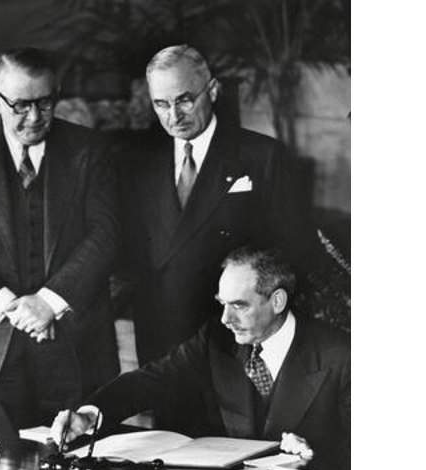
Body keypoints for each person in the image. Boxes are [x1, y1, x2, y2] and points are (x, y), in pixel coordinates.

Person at [0, 47, 120, 427]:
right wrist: (9, 306)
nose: (34, 117)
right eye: (20, 105)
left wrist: (48, 302)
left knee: (78, 455)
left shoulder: (89, 149)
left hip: (75, 348)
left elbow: (106, 233)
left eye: (45, 103)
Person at [51, 246, 350, 468]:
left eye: (239, 306)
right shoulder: (215, 339)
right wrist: (89, 415)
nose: (226, 319)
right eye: (222, 304)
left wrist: (315, 454)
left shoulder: (343, 356)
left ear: (278, 301)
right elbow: (152, 381)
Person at [119, 45, 319, 371]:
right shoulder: (138, 160)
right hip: (161, 333)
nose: (174, 116)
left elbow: (297, 250)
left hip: (235, 335)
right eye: (161, 104)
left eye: (185, 100)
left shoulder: (263, 156)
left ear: (212, 90)